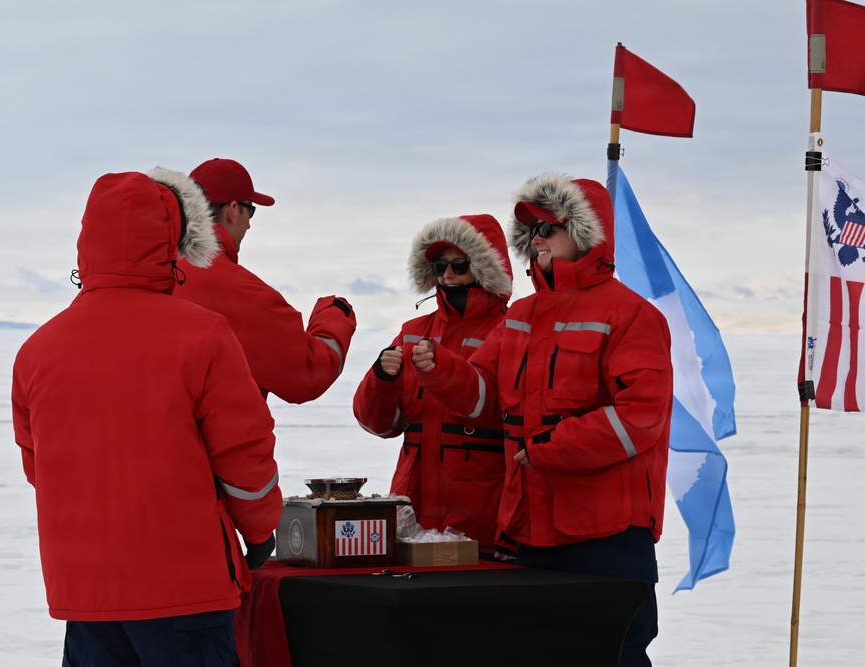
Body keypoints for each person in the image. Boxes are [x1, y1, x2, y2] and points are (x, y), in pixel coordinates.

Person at [11, 167, 282, 667]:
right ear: (174, 238)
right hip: (187, 594)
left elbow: (40, 467)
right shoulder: (204, 336)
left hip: (87, 595)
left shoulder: (37, 351)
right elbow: (245, 456)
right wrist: (262, 531)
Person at [410, 173, 672, 666]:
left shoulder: (632, 316)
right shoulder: (519, 317)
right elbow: (483, 396)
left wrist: (552, 446)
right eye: (531, 231)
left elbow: (640, 418)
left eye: (549, 228)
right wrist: (442, 370)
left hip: (608, 537)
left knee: (613, 657)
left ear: (584, 232)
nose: (537, 240)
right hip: (530, 531)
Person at [353, 214, 513, 551]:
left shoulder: (510, 330)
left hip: (481, 517)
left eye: (459, 265)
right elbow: (379, 425)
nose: (448, 275)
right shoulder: (413, 331)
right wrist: (380, 380)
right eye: (439, 267)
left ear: (486, 268)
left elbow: (494, 408)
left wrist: (442, 369)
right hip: (412, 513)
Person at [172, 157, 356, 404]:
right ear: (234, 210)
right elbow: (308, 374)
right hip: (217, 442)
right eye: (251, 212)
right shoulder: (246, 296)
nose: (248, 225)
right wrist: (334, 314)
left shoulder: (154, 271)